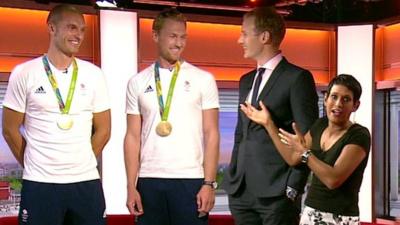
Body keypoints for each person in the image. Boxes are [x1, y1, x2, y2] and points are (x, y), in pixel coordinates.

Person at [2, 4, 111, 225]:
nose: (78, 35)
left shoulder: (94, 75)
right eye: (72, 28)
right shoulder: (24, 73)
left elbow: (104, 130)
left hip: (86, 182)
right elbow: (9, 129)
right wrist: (34, 163)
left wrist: (80, 161)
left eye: (82, 30)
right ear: (51, 28)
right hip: (40, 184)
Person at [222, 6, 319, 225]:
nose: (240, 40)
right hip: (241, 192)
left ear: (264, 36)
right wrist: (234, 177)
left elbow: (307, 140)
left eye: (244, 33)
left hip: (277, 195)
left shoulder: (297, 78)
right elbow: (240, 134)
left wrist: (293, 188)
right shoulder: (245, 80)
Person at [124, 7, 220, 225]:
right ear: (156, 36)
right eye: (173, 36)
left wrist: (209, 183)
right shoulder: (137, 82)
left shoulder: (203, 79)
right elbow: (131, 136)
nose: (179, 43)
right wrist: (131, 186)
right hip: (149, 180)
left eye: (183, 37)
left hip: (191, 180)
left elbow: (211, 133)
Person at [241, 74, 370, 225]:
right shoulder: (320, 125)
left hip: (341, 218)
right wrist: (268, 123)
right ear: (326, 99)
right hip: (311, 212)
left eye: (346, 99)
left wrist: (305, 153)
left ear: (356, 105)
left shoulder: (359, 135)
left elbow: (333, 180)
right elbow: (292, 158)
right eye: (334, 97)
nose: (338, 104)